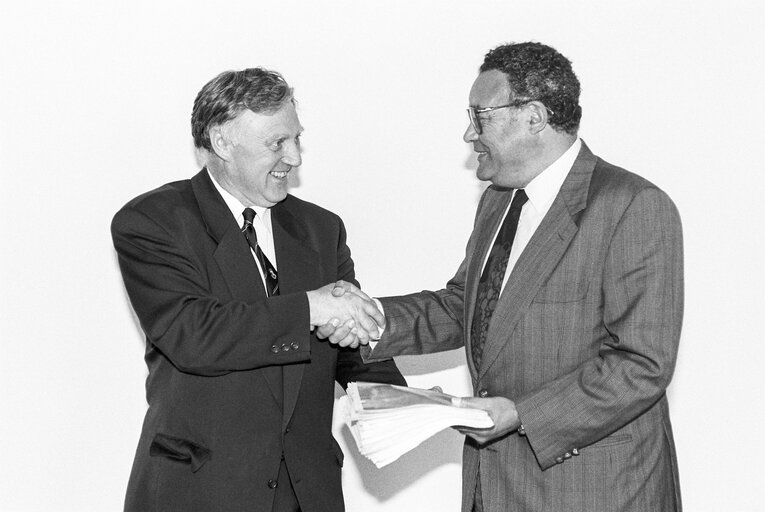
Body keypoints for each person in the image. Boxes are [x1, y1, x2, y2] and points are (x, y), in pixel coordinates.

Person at [324, 42, 683, 511]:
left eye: (481, 116)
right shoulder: (500, 200)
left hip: (596, 489)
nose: (468, 133)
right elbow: (466, 305)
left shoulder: (632, 206)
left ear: (533, 116)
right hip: (494, 484)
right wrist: (371, 318)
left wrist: (520, 414)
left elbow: (642, 364)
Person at [111, 67, 405, 512]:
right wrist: (310, 307)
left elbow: (350, 344)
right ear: (222, 142)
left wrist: (409, 404)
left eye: (296, 139)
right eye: (276, 144)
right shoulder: (153, 222)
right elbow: (194, 334)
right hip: (201, 490)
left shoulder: (322, 229)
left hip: (307, 492)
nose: (295, 157)